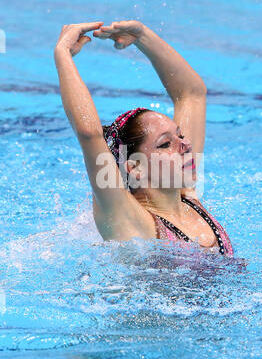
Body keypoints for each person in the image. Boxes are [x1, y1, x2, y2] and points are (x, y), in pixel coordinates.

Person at [54, 20, 234, 257]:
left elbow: (191, 94)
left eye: (179, 135)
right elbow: (89, 134)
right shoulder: (131, 222)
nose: (185, 144)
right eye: (165, 144)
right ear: (135, 167)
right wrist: (63, 54)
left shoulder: (188, 196)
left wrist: (142, 36)